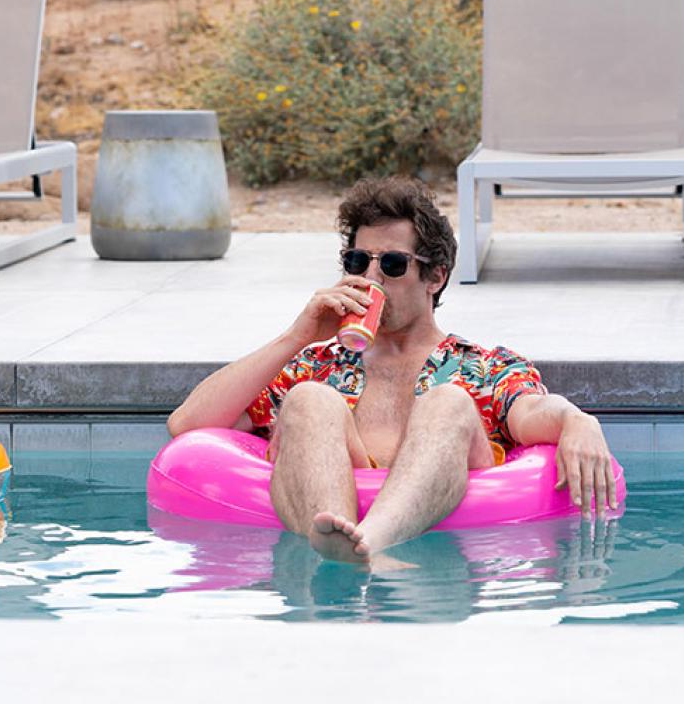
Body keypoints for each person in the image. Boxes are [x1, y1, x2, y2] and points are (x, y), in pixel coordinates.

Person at [167, 177, 615, 567]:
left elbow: (534, 411)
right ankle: (338, 549)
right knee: (308, 398)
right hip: (326, 512)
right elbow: (187, 426)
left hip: (442, 545)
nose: (373, 278)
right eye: (359, 262)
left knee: (448, 401)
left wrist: (578, 419)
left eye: (393, 264)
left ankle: (369, 544)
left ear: (435, 277)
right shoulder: (317, 364)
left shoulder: (483, 366)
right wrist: (298, 335)